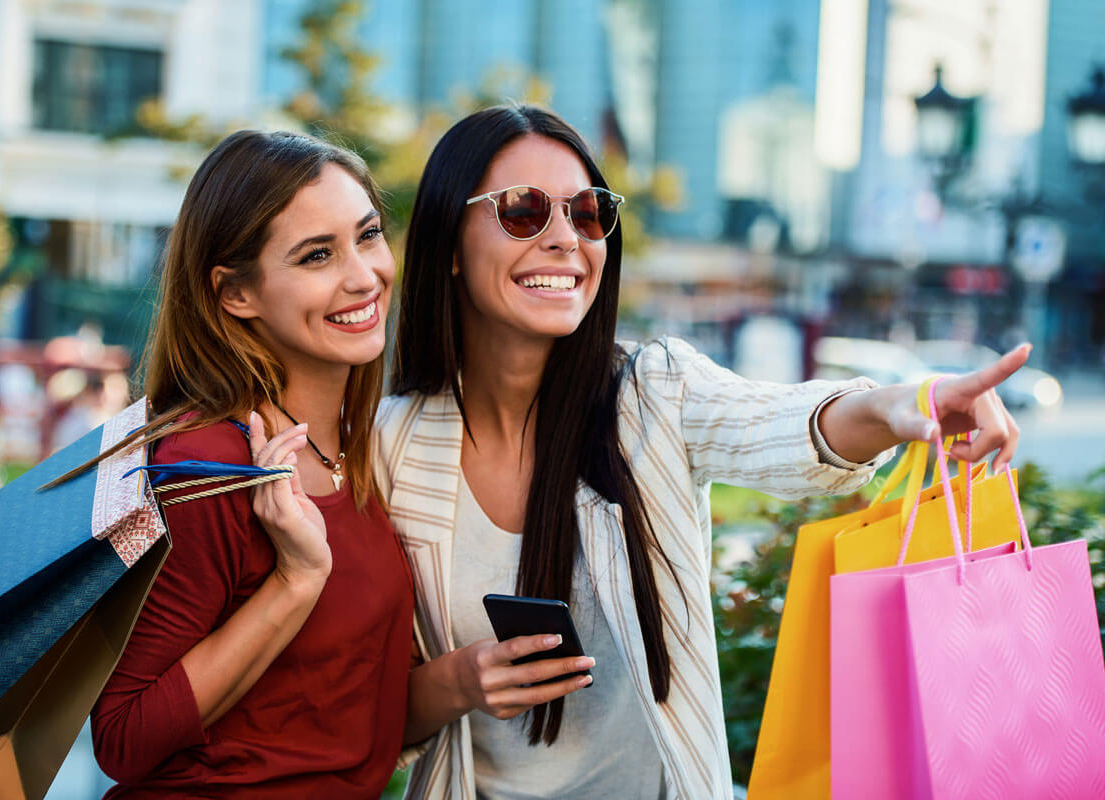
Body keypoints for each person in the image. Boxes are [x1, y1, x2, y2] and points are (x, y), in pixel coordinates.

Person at [376, 104, 1027, 799]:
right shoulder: (393, 446)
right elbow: (370, 708)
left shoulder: (650, 393)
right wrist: (456, 682)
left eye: (587, 213)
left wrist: (905, 404)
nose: (565, 239)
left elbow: (783, 424)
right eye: (523, 212)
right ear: (448, 243)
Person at [88, 130, 413, 798]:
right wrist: (295, 581)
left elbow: (320, 716)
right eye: (317, 255)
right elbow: (121, 737)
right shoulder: (207, 466)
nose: (363, 275)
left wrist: (468, 682)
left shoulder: (360, 447)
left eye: (369, 234)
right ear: (236, 294)